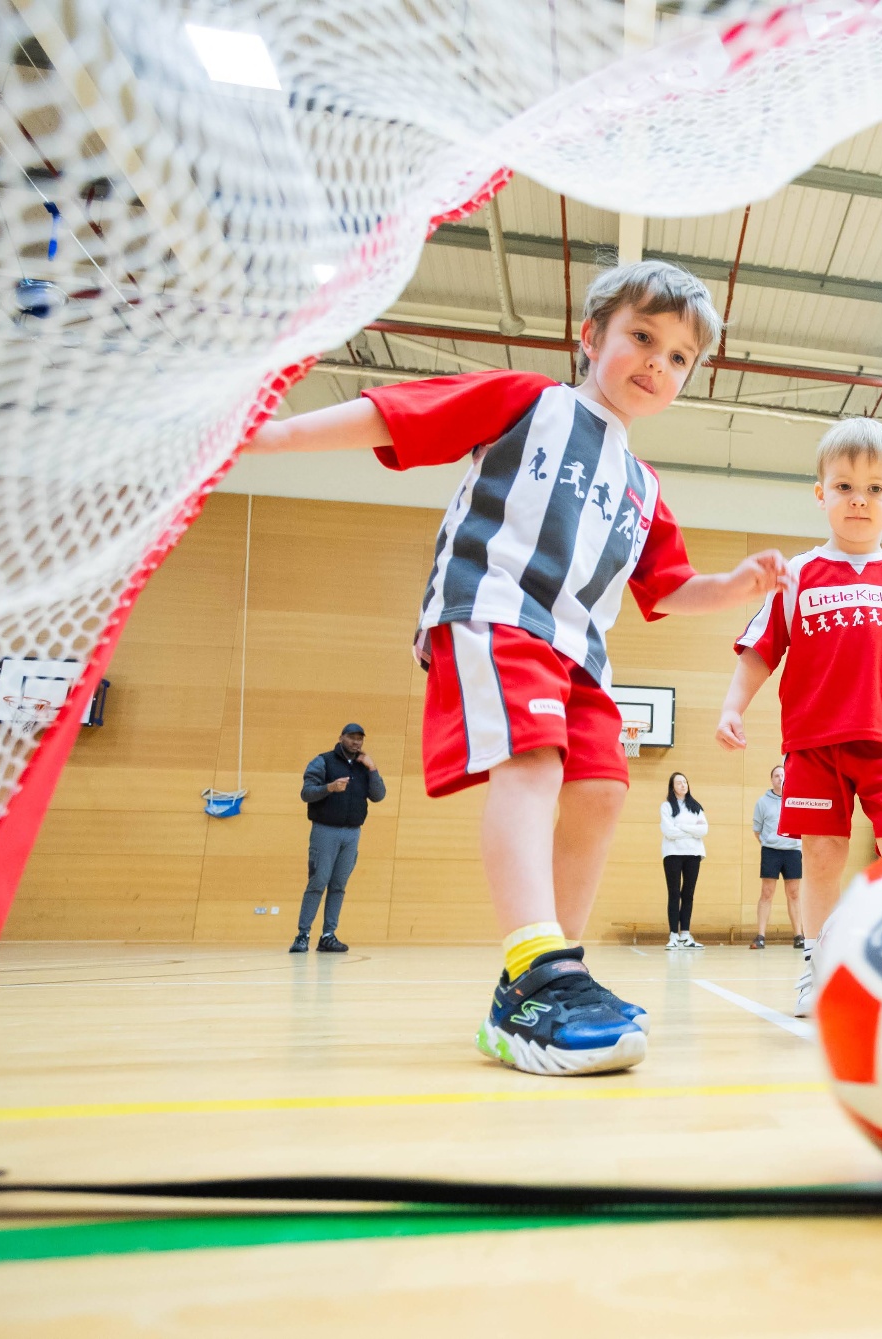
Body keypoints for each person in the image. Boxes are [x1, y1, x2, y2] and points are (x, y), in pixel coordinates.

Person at [246, 260, 790, 1076]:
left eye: (679, 357)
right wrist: (275, 433)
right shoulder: (533, 402)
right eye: (643, 338)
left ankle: (541, 979)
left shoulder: (643, 484)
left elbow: (670, 587)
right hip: (495, 608)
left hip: (582, 650)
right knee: (532, 763)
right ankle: (538, 963)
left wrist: (734, 586)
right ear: (590, 336)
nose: (658, 363)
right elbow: (393, 413)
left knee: (603, 791)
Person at [717, 418, 882, 1016]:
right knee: (822, 855)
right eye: (845, 486)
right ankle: (818, 965)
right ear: (820, 492)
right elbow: (760, 652)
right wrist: (731, 707)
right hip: (813, 747)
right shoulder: (796, 576)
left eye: (876, 489)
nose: (860, 499)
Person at [292, 723, 385, 953]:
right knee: (318, 882)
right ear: (341, 737)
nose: (356, 742)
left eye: (359, 739)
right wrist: (329, 788)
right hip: (325, 830)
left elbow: (378, 795)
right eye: (352, 737)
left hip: (352, 833)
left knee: (338, 886)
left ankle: (328, 935)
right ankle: (302, 935)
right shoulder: (323, 761)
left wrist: (373, 769)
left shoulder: (364, 767)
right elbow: (306, 793)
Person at [751, 762, 804, 950]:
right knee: (767, 893)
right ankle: (760, 936)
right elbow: (757, 830)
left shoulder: (796, 799)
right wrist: (770, 843)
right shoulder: (762, 802)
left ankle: (799, 935)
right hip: (771, 851)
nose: (780, 779)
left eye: (783, 775)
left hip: (793, 851)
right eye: (776, 776)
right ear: (771, 780)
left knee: (794, 893)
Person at [659, 771, 708, 948]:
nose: (683, 785)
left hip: (693, 853)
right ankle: (673, 935)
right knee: (674, 894)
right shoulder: (666, 807)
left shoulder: (696, 806)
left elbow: (703, 830)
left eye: (685, 782)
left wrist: (680, 826)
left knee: (688, 894)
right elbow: (669, 832)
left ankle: (685, 934)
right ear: (672, 786)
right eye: (679, 783)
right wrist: (691, 829)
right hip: (672, 854)